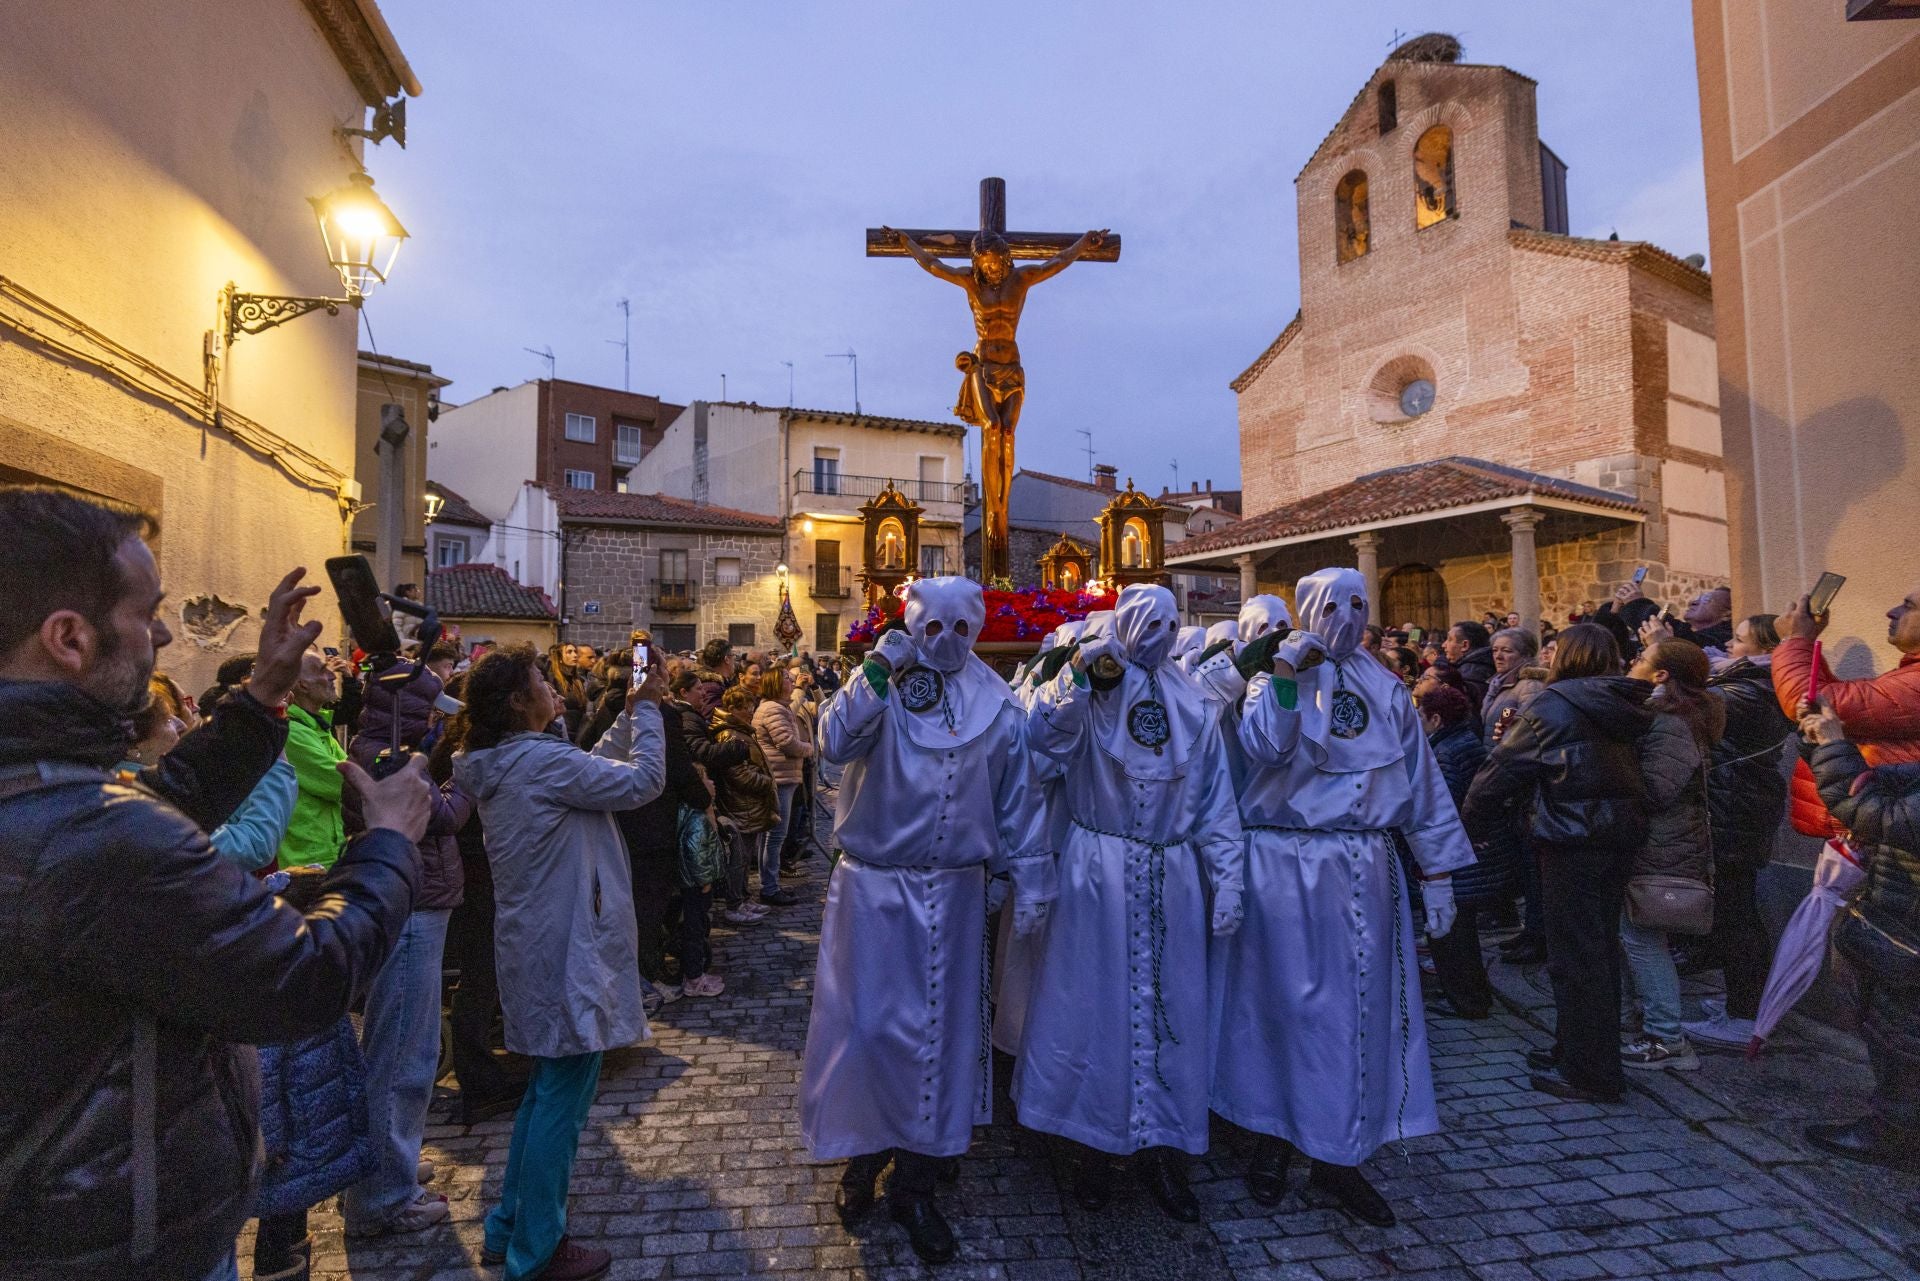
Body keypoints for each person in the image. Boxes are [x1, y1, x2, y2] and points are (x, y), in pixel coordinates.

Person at [0, 485, 428, 1281]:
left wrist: (260, 698)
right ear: (69, 638)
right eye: (146, 613)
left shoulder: (46, 789)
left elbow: (158, 805)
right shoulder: (84, 833)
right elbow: (302, 976)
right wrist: (390, 844)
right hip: (110, 1247)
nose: (164, 634)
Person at [1212, 568, 1472, 1227]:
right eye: (1333, 605)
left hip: (1365, 866)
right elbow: (1266, 747)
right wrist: (1286, 675)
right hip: (1285, 864)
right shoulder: (1273, 672)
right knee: (1281, 1007)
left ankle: (1341, 1151)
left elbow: (1420, 780)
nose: (1348, 616)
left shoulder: (1386, 688)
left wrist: (1438, 873)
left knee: (1361, 1011)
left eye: (1359, 603)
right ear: (1308, 609)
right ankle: (1272, 1137)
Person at [801, 577, 1042, 1264]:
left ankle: (915, 1183)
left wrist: (1024, 879)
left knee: (939, 1038)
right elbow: (834, 741)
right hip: (874, 891)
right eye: (932, 627)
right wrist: (878, 667)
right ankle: (860, 1160)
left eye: (961, 629)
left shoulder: (998, 705)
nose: (946, 641)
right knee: (866, 1030)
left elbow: (1018, 800)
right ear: (913, 626)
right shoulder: (880, 686)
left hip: (956, 894)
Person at [1015, 585, 1244, 1222]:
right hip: (1098, 872)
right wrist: (1078, 677)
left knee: (1172, 1009)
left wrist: (1228, 880)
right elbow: (1041, 742)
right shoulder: (1091, 690)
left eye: (1172, 623)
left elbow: (1216, 801)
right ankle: (1089, 1146)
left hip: (1172, 873)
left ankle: (1163, 1150)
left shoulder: (1192, 701)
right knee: (1093, 1009)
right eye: (1149, 621)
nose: (1162, 633)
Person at [453, 644, 667, 1281]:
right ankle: (537, 1250)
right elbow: (641, 782)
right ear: (519, 702)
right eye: (541, 681)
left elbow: (589, 768)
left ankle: (509, 1226)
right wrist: (650, 712)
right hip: (566, 947)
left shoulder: (519, 760)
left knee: (544, 1092)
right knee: (562, 1103)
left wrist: (628, 712)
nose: (552, 687)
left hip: (539, 942)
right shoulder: (538, 762)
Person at [1463, 624, 1652, 1104]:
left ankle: (1590, 1072)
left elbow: (1498, 774)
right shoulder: (1627, 701)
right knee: (1597, 952)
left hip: (1570, 839)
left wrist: (1469, 828)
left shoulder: (1554, 704)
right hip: (1615, 836)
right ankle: (1577, 1051)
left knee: (1576, 959)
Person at [341, 655, 474, 1238]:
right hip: (411, 904)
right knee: (401, 1054)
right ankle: (383, 1196)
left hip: (414, 899)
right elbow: (442, 817)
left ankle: (389, 1163)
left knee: (404, 1045)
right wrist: (463, 774)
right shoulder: (392, 755)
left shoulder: (385, 744)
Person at [1799, 699, 1920, 1172]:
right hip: (1900, 923)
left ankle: (1895, 1134)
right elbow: (1889, 782)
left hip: (1908, 931)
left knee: (1901, 1037)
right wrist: (1826, 747)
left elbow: (1875, 814)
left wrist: (1832, 746)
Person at [1682, 615, 1793, 1048]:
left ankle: (1745, 1015)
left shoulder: (1750, 689)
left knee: (1736, 915)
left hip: (1736, 808)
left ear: (1765, 648)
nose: (1729, 644)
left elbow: (1690, 702)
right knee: (1735, 910)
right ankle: (1743, 1003)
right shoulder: (1751, 683)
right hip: (1738, 805)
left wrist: (1670, 655)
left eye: (1740, 639)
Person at [1617, 639, 1721, 1073]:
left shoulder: (1671, 723)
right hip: (1659, 841)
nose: (1633, 662)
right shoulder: (1664, 717)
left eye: (1642, 658)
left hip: (1662, 845)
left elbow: (1656, 790)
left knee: (1642, 939)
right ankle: (1645, 1024)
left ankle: (1667, 1039)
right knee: (1634, 936)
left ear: (1661, 675)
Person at [1772, 583, 1920, 840]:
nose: (1892, 612)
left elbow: (1806, 701)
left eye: (1909, 606)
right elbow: (1834, 704)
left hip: (1879, 827)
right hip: (1871, 822)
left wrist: (1794, 640)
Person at [1415, 682, 1515, 1021]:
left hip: (1458, 857)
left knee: (1453, 934)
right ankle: (1472, 995)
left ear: (1436, 719)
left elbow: (1443, 804)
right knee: (1460, 931)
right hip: (1473, 853)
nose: (1418, 721)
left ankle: (1466, 1000)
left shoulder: (1445, 752)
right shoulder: (1464, 742)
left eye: (1422, 716)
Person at [1478, 628, 1550, 963]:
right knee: (1522, 859)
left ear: (1524, 654)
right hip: (1501, 772)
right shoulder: (1501, 684)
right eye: (1496, 649)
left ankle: (1538, 934)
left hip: (1519, 780)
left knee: (1532, 863)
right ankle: (1530, 929)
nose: (1499, 655)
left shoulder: (1529, 685)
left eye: (1507, 650)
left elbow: (1527, 732)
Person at [710, 684, 780, 915]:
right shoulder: (729, 733)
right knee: (738, 859)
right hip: (741, 805)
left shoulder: (740, 730)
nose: (750, 711)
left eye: (751, 706)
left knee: (745, 856)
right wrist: (767, 782)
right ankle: (735, 903)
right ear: (732, 709)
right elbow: (738, 774)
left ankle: (743, 897)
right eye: (745, 708)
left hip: (748, 805)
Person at [279, 649, 351, 869]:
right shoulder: (292, 732)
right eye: (322, 670)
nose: (332, 676)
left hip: (328, 854)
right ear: (302, 685)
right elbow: (345, 781)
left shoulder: (316, 727)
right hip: (308, 860)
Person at [752, 666, 811, 906]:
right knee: (775, 836)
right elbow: (787, 742)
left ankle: (769, 883)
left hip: (781, 776)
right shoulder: (773, 709)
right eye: (787, 678)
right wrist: (809, 748)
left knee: (769, 835)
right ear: (776, 683)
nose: (791, 681)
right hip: (779, 778)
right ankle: (769, 888)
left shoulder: (777, 707)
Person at [1442, 620, 1495, 713]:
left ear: (1465, 645)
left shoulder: (1468, 675)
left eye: (1450, 639)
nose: (1443, 645)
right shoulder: (1480, 666)